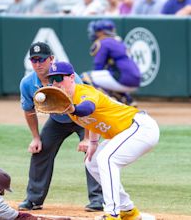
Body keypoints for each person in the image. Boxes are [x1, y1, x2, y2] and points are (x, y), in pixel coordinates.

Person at [46, 61, 160, 220]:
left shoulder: (83, 92)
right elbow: (91, 120)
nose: (55, 83)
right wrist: (93, 143)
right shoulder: (68, 102)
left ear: (72, 77)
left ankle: (112, 213)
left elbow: (88, 109)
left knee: (106, 158)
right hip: (128, 132)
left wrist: (73, 109)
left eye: (59, 78)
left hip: (141, 128)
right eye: (52, 80)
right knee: (92, 162)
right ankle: (128, 211)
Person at [18, 42, 104, 212]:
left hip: (82, 118)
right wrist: (36, 137)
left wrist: (87, 139)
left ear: (51, 59)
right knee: (40, 151)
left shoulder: (67, 77)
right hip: (58, 121)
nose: (38, 64)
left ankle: (98, 200)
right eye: (34, 60)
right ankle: (34, 199)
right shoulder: (27, 83)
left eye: (41, 59)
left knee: (93, 152)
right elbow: (29, 111)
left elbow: (87, 109)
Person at [82, 19, 141, 106]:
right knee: (104, 78)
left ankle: (111, 104)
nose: (94, 33)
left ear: (101, 32)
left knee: (86, 77)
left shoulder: (103, 42)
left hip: (124, 78)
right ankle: (127, 100)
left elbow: (98, 68)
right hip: (135, 79)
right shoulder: (118, 41)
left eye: (96, 31)